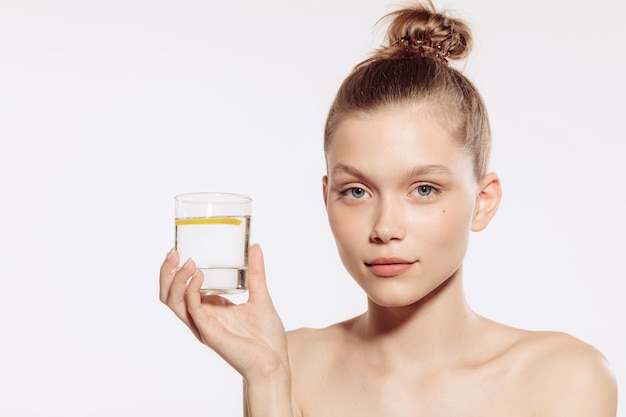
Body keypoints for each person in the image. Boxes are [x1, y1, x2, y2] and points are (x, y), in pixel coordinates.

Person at [159, 1, 618, 416]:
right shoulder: (289, 363)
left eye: (423, 189)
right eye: (357, 191)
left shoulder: (563, 379)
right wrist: (268, 379)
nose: (385, 228)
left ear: (483, 202)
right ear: (326, 199)